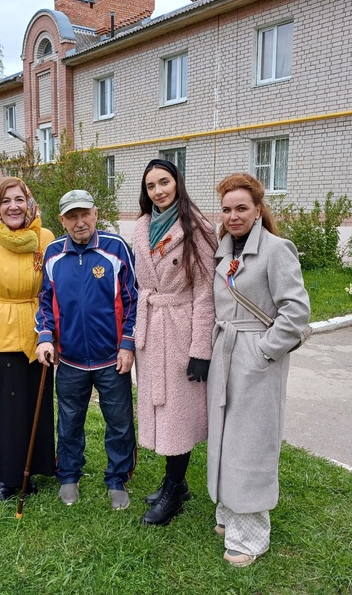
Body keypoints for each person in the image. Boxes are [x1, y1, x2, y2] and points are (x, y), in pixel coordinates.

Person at [206, 173, 310, 566]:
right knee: (225, 434)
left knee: (250, 442)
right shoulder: (223, 251)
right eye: (228, 209)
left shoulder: (277, 249)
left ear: (258, 210)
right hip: (224, 353)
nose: (233, 216)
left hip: (255, 356)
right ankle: (229, 513)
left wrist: (265, 351)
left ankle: (250, 534)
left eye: (242, 208)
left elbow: (296, 311)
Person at [35, 189, 138, 511]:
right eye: (71, 216)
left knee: (119, 422)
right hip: (70, 359)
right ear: (62, 220)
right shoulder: (52, 254)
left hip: (112, 358)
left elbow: (134, 300)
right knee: (69, 421)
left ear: (95, 214)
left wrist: (127, 345)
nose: (79, 222)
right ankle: (68, 475)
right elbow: (45, 303)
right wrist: (45, 337)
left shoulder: (116, 248)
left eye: (84, 214)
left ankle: (117, 478)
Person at [132, 159, 217, 527]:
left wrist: (200, 349)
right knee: (160, 411)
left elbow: (206, 291)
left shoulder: (196, 228)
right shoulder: (141, 227)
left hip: (181, 331)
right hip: (151, 330)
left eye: (164, 182)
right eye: (151, 186)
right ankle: (176, 483)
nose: (158, 191)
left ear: (177, 182)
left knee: (177, 416)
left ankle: (172, 490)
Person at [0, 177, 56, 501]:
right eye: (6, 201)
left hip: (37, 333)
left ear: (29, 202)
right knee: (8, 411)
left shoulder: (44, 237)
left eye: (19, 199)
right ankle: (8, 477)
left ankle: (36, 468)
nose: (13, 206)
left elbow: (52, 289)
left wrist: (52, 335)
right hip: (1, 333)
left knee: (38, 405)